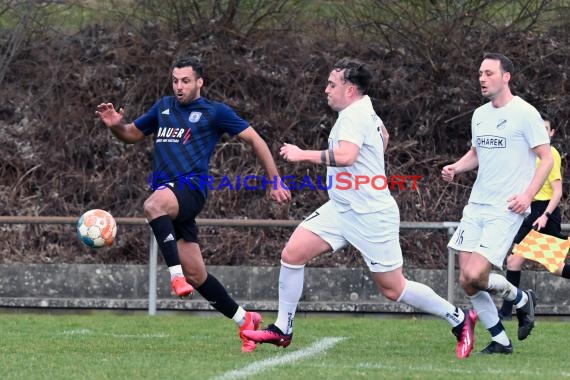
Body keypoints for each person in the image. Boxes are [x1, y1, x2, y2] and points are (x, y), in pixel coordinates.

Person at [243, 57, 479, 360]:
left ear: (350, 89)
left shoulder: (355, 115)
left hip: (370, 215)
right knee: (292, 254)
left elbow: (346, 156)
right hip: (341, 208)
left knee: (394, 289)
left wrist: (303, 154)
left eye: (332, 84)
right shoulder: (363, 109)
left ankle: (460, 319)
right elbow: (384, 137)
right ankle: (282, 329)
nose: (326, 89)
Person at [95, 54, 291, 352]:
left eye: (185, 81)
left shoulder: (214, 112)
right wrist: (114, 125)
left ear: (200, 82)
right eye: (175, 80)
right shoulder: (163, 107)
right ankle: (245, 320)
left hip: (191, 189)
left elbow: (256, 140)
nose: (179, 86)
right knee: (197, 274)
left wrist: (274, 179)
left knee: (152, 206)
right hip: (170, 196)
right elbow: (132, 134)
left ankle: (174, 277)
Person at [441, 52, 554, 354]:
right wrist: (456, 167)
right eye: (480, 73)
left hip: (506, 208)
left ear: (506, 77)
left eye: (489, 73)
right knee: (466, 281)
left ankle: (519, 299)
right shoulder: (480, 115)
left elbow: (547, 157)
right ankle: (501, 340)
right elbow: (476, 154)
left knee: (476, 275)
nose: (482, 78)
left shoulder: (525, 113)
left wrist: (528, 195)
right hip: (476, 204)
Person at [498, 112, 567, 320]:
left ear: (552, 133)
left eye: (546, 130)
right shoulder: (530, 153)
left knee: (519, 261)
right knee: (520, 262)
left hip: (544, 212)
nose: (542, 134)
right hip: (533, 211)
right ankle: (507, 311)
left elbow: (558, 191)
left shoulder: (551, 154)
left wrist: (545, 215)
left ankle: (507, 310)